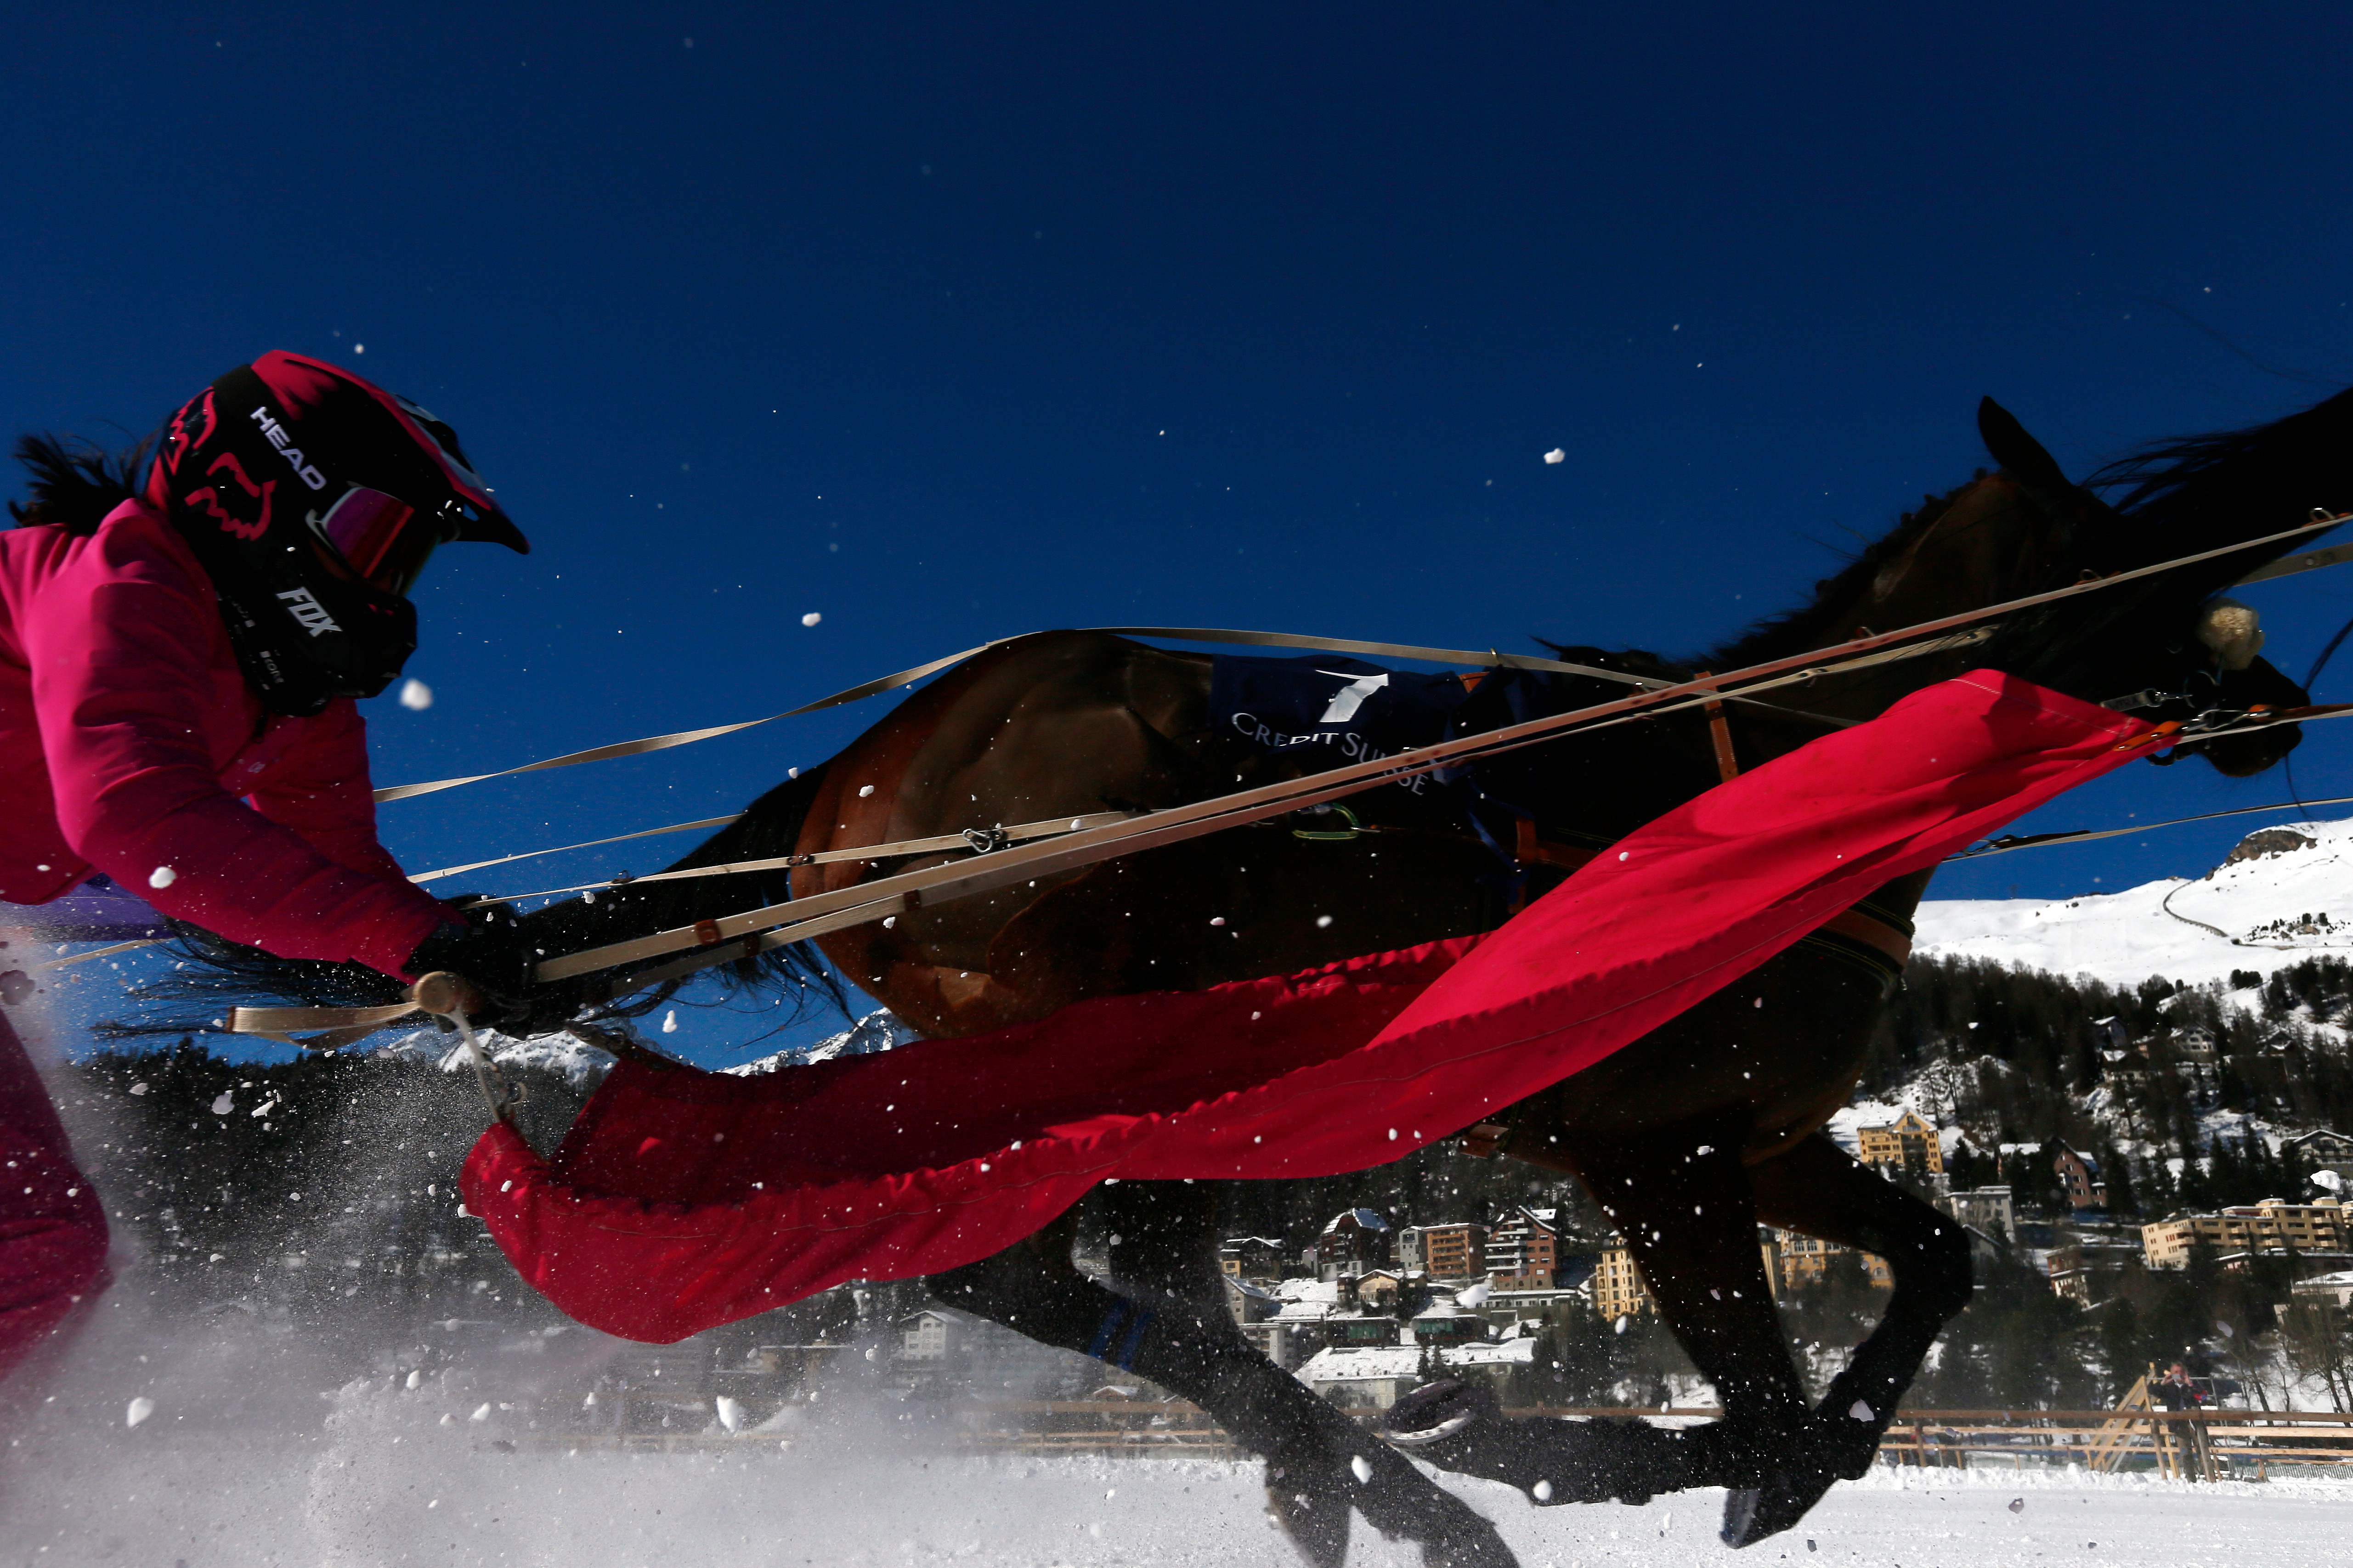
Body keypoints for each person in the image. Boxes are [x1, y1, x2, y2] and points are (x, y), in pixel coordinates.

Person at [0, 351, 530, 1380]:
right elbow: (136, 816)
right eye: (373, 540)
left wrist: (471, 953)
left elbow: (345, 869)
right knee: (35, 1247)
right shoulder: (124, 576)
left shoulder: (293, 696)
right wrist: (404, 939)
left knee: (44, 1253)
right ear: (252, 495)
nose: (388, 586)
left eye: (405, 558)